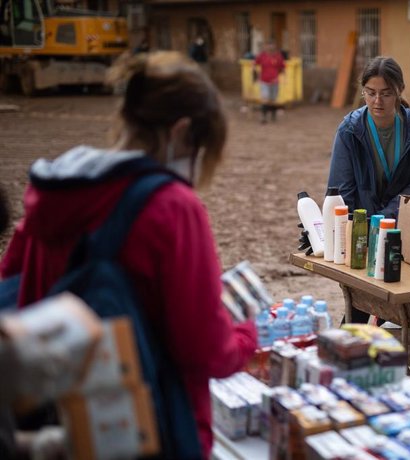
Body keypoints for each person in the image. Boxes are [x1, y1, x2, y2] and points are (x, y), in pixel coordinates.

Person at [0, 51, 257, 459]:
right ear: (181, 132)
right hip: (145, 429)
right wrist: (246, 334)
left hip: (51, 423)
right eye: (200, 152)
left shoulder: (54, 188)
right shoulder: (172, 206)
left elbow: (11, 289)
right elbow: (206, 350)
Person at [326, 56, 410, 324]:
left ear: (399, 91)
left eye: (386, 94)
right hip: (359, 230)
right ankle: (352, 350)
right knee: (361, 301)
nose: (377, 102)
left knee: (394, 299)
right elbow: (341, 189)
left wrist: (383, 223)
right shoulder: (350, 130)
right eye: (370, 93)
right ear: (362, 91)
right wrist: (361, 231)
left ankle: (368, 351)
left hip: (398, 228)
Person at [254, 40, 285, 123]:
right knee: (265, 97)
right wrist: (257, 75)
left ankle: (273, 115)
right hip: (264, 81)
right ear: (266, 47)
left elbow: (282, 67)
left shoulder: (278, 56)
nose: (270, 48)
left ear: (275, 47)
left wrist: (277, 75)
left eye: (272, 46)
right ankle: (263, 117)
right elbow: (255, 64)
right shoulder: (262, 56)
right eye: (268, 46)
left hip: (275, 82)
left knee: (273, 99)